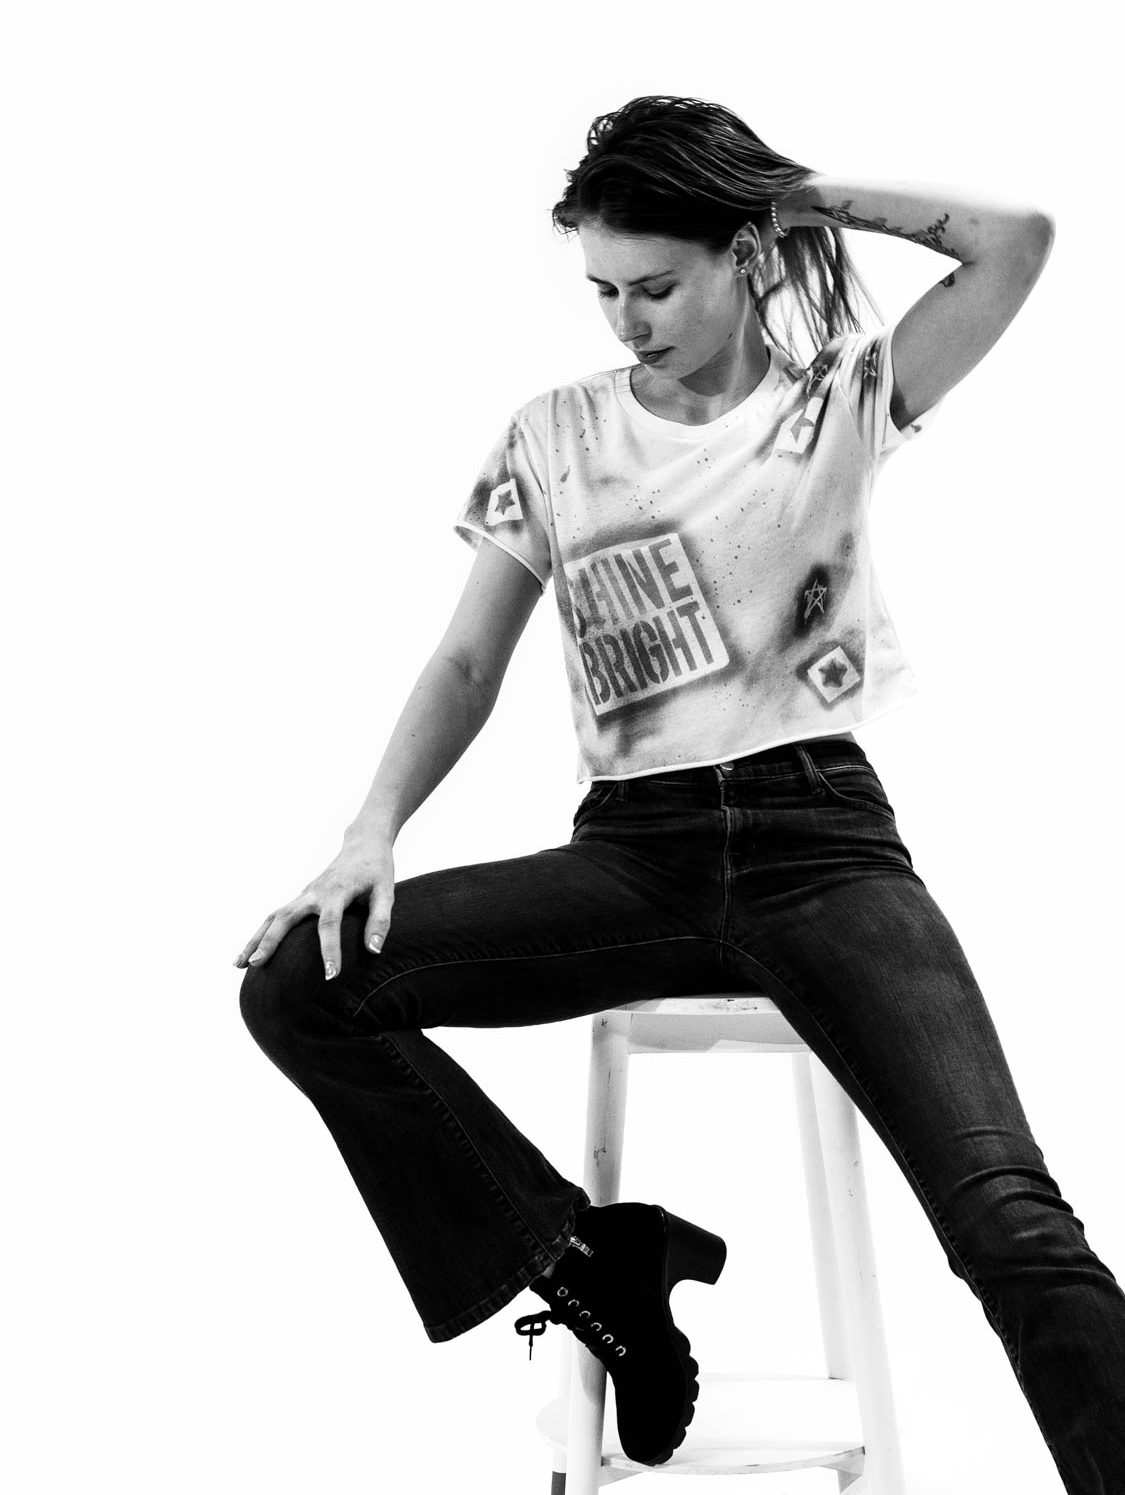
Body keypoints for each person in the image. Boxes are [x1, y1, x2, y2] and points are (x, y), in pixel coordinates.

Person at [236, 95, 1125, 1490]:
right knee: (300, 982)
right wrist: (370, 833)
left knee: (1010, 1222)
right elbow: (467, 659)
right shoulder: (555, 435)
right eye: (603, 289)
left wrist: (790, 191)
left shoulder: (838, 401)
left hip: (823, 849)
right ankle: (589, 1258)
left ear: (745, 254)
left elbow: (1015, 241)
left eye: (654, 285)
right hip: (632, 859)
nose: (625, 319)